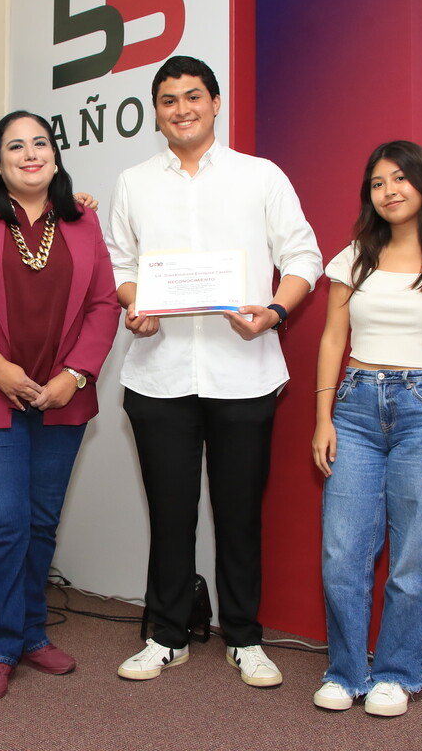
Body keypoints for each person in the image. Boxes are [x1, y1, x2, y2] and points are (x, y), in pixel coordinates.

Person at [105, 56, 323, 686]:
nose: (182, 109)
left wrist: (275, 312)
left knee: (239, 514)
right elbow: (119, 263)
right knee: (170, 515)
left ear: (216, 102)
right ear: (156, 112)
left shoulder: (260, 176)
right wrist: (135, 305)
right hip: (159, 373)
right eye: (168, 100)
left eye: (193, 96)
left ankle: (245, 638)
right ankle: (165, 635)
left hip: (244, 372)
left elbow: (303, 255)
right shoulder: (134, 182)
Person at [0, 111, 120, 701]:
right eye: (15, 146)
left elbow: (104, 304)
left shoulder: (83, 218)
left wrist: (75, 374)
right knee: (2, 521)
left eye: (40, 143)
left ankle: (32, 633)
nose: (30, 153)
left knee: (40, 521)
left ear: (56, 156)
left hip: (61, 396)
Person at [310, 140, 422, 717]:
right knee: (343, 554)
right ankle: (346, 672)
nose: (388, 191)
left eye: (399, 179)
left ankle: (397, 672)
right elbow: (333, 339)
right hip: (355, 407)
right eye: (377, 183)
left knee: (413, 557)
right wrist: (322, 418)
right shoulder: (353, 258)